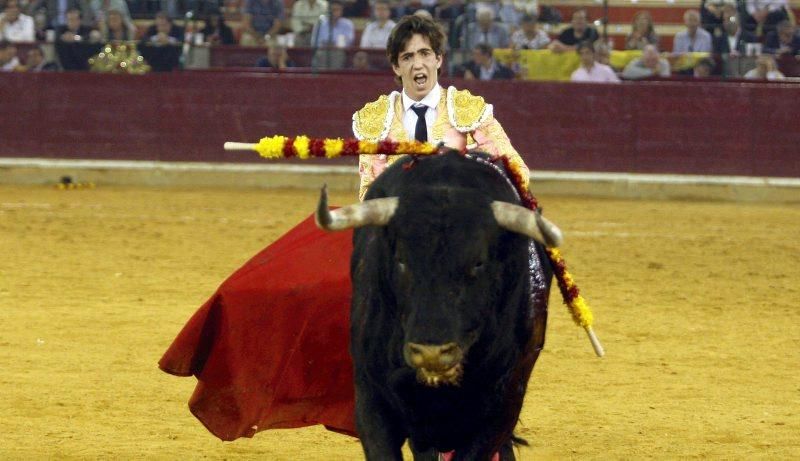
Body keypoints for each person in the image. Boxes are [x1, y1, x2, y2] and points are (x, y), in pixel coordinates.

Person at [159, 15, 536, 443]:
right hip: (404, 242)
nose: (418, 64)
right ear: (396, 67)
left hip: (463, 245)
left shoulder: (469, 113)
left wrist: (467, 174)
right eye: (408, 56)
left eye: (425, 54)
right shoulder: (376, 119)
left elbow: (516, 173)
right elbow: (369, 191)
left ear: (439, 60)